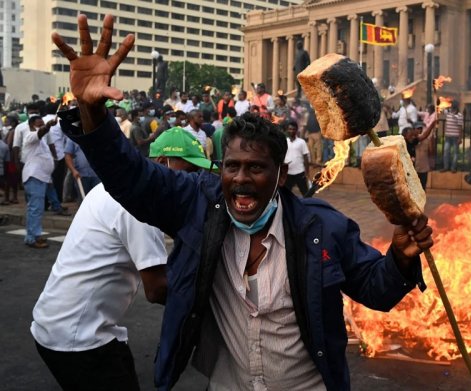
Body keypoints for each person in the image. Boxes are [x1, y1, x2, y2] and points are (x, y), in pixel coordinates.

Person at [53, 15, 433, 389]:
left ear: (281, 176)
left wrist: (400, 257)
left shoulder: (322, 227)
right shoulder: (198, 204)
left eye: (256, 168)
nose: (240, 179)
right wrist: (93, 113)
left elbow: (375, 290)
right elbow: (132, 178)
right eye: (232, 166)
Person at [31, 128, 212, 390]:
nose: (193, 182)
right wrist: (214, 307)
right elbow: (157, 288)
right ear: (163, 163)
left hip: (55, 325)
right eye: (190, 172)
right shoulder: (139, 207)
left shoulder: (115, 188)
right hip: (78, 338)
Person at [22, 116, 63, 249]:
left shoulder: (42, 142)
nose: (42, 125)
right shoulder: (30, 136)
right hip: (35, 177)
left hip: (42, 177)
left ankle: (32, 236)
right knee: (36, 209)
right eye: (39, 123)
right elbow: (41, 132)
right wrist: (48, 126)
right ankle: (33, 237)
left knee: (34, 208)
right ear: (32, 125)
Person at [284, 121, 310, 195]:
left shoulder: (301, 142)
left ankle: (308, 205)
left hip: (300, 172)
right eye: (290, 129)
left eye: (293, 129)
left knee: (306, 193)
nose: (291, 131)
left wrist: (307, 172)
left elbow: (306, 157)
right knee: (286, 194)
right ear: (287, 130)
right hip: (288, 172)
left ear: (296, 130)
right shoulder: (285, 141)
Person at [442, 101, 463, 172]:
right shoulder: (448, 112)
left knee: (455, 153)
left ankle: (453, 168)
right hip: (448, 136)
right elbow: (442, 109)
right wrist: (447, 105)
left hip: (455, 136)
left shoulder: (459, 115)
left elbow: (460, 127)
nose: (452, 107)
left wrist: (460, 138)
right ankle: (446, 167)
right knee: (446, 152)